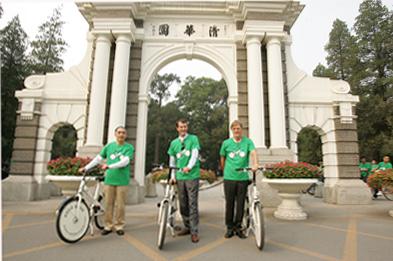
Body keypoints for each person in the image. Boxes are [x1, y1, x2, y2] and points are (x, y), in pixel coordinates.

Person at [79, 126, 134, 236]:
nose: (121, 135)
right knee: (108, 203)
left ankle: (119, 225)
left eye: (123, 133)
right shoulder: (109, 146)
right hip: (109, 179)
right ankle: (108, 225)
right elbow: (98, 159)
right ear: (115, 134)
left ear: (126, 135)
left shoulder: (129, 147)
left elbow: (125, 161)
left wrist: (109, 166)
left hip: (122, 180)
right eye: (119, 132)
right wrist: (86, 167)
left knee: (120, 205)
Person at [219, 120, 258, 239]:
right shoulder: (226, 143)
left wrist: (255, 164)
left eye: (238, 129)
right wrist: (224, 170)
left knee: (240, 203)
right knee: (229, 203)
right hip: (229, 177)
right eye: (234, 129)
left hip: (242, 177)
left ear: (242, 130)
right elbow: (222, 157)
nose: (237, 131)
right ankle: (229, 227)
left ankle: (238, 227)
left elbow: (253, 152)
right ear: (232, 130)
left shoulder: (248, 142)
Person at [167, 119, 201, 243]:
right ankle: (187, 226)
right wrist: (173, 175)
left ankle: (194, 231)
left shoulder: (193, 139)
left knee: (192, 204)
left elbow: (194, 154)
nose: (183, 129)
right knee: (183, 204)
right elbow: (172, 160)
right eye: (181, 127)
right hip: (180, 177)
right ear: (177, 128)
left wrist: (189, 167)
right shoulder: (174, 143)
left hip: (192, 175)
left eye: (185, 126)